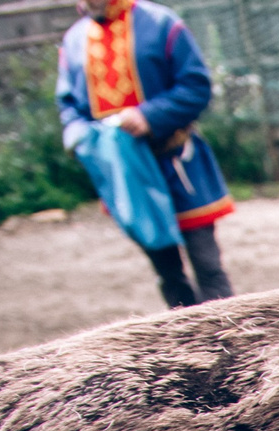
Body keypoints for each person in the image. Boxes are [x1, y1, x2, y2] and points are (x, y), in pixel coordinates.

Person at [55, 0, 233, 308]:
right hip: (127, 174)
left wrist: (148, 116)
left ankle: (233, 342)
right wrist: (79, 137)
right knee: (168, 274)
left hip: (178, 163)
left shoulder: (162, 24)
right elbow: (69, 105)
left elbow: (196, 87)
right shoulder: (73, 41)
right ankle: (189, 347)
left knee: (207, 266)